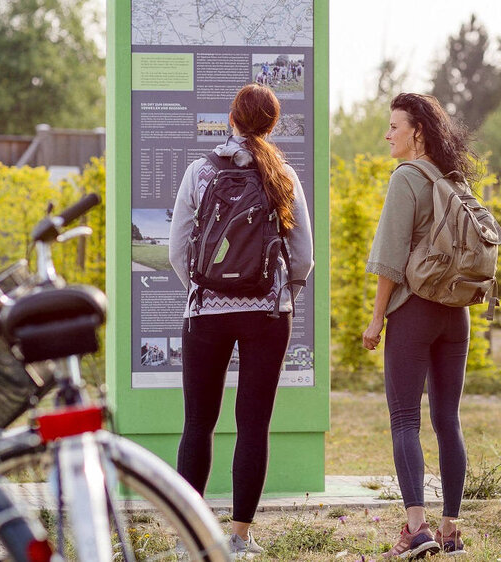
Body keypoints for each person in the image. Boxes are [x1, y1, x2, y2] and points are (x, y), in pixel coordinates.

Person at [168, 83, 314, 557]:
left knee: (198, 423)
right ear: (271, 125)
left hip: (206, 311)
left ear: (230, 119)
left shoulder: (199, 172)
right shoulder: (282, 174)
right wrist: (282, 293)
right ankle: (240, 537)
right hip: (266, 315)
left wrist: (201, 288)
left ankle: (189, 535)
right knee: (253, 425)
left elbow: (177, 248)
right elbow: (303, 255)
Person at [363, 92, 473, 558]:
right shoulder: (456, 181)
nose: (387, 134)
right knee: (448, 419)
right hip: (457, 313)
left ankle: (416, 529)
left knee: (405, 418)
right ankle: (451, 530)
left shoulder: (406, 178)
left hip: (415, 311)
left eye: (394, 126)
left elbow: (390, 260)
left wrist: (375, 320)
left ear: (417, 133)